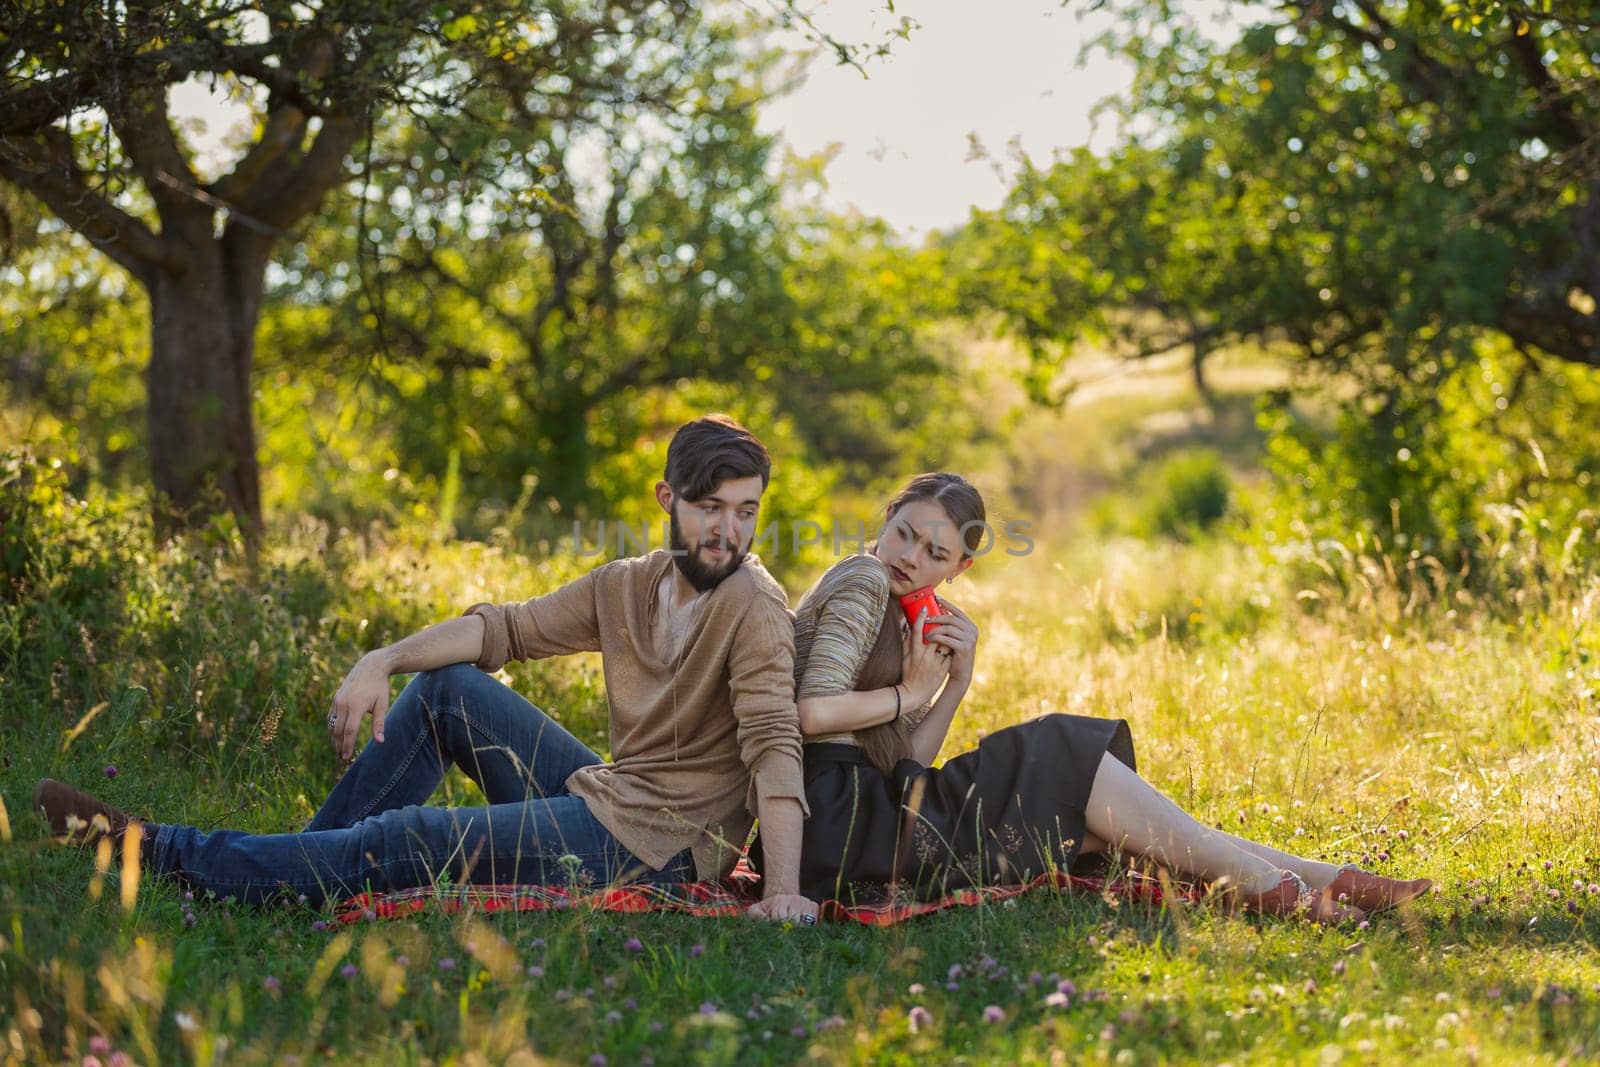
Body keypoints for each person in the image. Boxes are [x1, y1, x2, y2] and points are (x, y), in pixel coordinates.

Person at [33, 415, 818, 923]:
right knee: (444, 688)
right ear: (668, 498)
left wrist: (781, 892)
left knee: (408, 836)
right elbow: (502, 630)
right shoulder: (626, 583)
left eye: (746, 510)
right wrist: (383, 657)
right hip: (610, 796)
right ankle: (299, 869)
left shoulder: (752, 604)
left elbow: (775, 750)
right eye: (711, 506)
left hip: (663, 849)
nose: (728, 529)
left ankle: (153, 848)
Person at [773, 472, 1431, 921]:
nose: (911, 556)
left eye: (935, 551)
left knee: (1091, 813)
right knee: (1057, 750)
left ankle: (1309, 880)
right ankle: (1292, 885)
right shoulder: (862, 577)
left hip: (868, 811)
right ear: (886, 519)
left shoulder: (912, 612)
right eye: (905, 534)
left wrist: (956, 682)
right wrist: (909, 689)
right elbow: (811, 714)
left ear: (959, 567)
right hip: (835, 821)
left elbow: (904, 761)